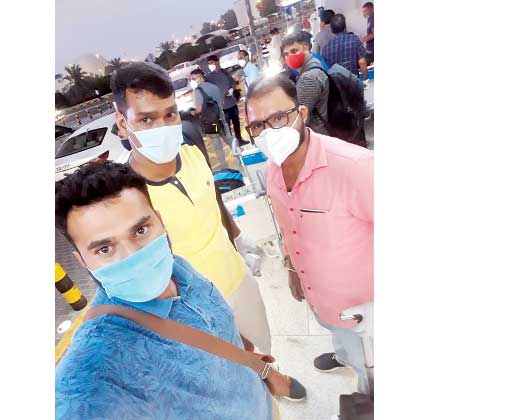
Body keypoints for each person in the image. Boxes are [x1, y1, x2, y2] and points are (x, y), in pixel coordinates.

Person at [110, 62, 306, 400]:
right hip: (197, 311)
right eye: (146, 120)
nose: (163, 127)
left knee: (264, 344)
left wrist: (238, 237)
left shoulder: (190, 149)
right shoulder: (126, 197)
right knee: (234, 378)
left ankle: (270, 376)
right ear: (122, 123)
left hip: (237, 279)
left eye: (170, 114)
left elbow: (212, 195)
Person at [55, 161, 281, 419]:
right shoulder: (95, 366)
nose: (134, 256)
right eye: (105, 249)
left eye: (140, 230)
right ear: (82, 261)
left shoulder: (179, 268)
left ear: (160, 222)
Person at [244, 75, 374, 395]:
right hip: (325, 302)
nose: (268, 132)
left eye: (278, 118)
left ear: (301, 113)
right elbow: (288, 224)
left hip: (367, 314)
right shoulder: (274, 170)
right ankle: (345, 357)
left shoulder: (354, 166)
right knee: (350, 352)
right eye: (257, 125)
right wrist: (293, 268)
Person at [281, 31, 330, 135]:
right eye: (286, 54)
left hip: (318, 134)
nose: (290, 56)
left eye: (294, 51)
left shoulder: (308, 78)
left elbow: (298, 119)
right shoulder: (315, 63)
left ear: (306, 48)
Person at [189, 68, 237, 172]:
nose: (191, 81)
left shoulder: (198, 91)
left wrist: (192, 113)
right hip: (221, 118)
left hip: (211, 123)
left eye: (193, 78)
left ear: (200, 77)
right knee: (230, 140)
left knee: (217, 147)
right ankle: (240, 158)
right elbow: (221, 102)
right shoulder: (214, 87)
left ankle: (224, 167)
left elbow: (199, 109)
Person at [205, 55, 247, 147]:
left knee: (236, 123)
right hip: (222, 107)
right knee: (227, 128)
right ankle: (233, 145)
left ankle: (239, 140)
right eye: (208, 63)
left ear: (217, 62)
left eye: (211, 62)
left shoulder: (224, 72)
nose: (210, 65)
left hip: (232, 103)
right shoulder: (209, 77)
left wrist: (231, 89)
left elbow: (232, 82)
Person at [321, 13, 369, 79]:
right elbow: (362, 62)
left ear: (332, 30)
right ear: (345, 27)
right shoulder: (354, 39)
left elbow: (325, 70)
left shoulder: (326, 48)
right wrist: (366, 78)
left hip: (336, 83)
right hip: (354, 81)